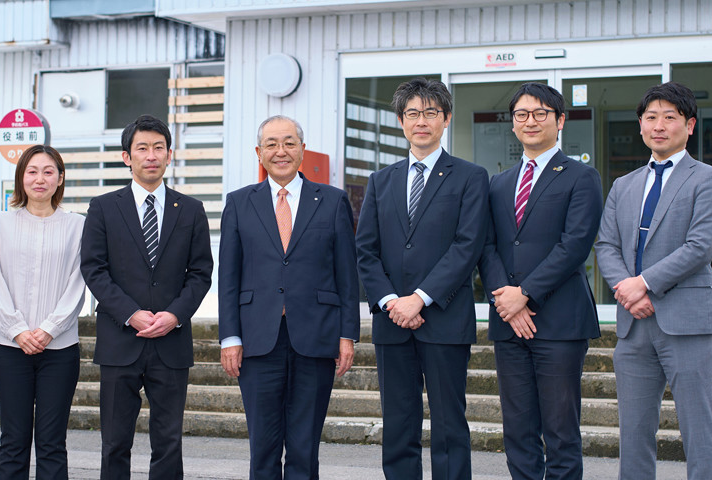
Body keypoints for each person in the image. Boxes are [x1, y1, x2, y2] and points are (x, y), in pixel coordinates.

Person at [594, 82, 712, 480]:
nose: (659, 126)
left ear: (689, 125)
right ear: (640, 126)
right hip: (633, 325)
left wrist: (645, 283)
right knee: (634, 432)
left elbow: (700, 246)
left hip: (686, 321)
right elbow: (606, 244)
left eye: (669, 117)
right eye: (651, 117)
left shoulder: (709, 179)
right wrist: (627, 289)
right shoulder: (624, 184)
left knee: (698, 428)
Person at [354, 78, 487, 480]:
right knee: (398, 423)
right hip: (392, 322)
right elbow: (365, 249)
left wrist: (421, 298)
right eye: (413, 113)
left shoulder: (469, 176)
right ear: (401, 121)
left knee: (449, 424)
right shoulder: (381, 180)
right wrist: (392, 301)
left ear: (446, 119)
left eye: (431, 112)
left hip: (444, 319)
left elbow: (468, 246)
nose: (422, 121)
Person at [218, 115, 360, 480]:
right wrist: (230, 337)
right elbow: (229, 276)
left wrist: (348, 335)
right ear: (259, 152)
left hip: (316, 337)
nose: (281, 151)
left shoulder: (331, 201)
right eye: (271, 144)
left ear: (302, 148)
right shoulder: (238, 203)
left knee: (304, 446)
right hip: (256, 339)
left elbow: (347, 273)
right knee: (262, 448)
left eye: (289, 142)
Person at [477, 82, 603, 480]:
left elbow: (575, 246)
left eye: (540, 113)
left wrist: (525, 294)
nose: (530, 121)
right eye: (521, 115)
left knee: (561, 429)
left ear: (560, 120)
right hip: (508, 322)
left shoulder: (581, 176)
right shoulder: (498, 182)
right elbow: (487, 245)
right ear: (512, 124)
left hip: (559, 321)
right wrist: (506, 301)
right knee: (517, 428)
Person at [80, 114, 213, 480]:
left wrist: (174, 315)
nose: (151, 155)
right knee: (115, 442)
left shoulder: (190, 209)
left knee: (168, 441)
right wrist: (131, 313)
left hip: (171, 342)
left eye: (159, 148)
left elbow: (201, 273)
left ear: (170, 155)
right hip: (121, 340)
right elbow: (94, 269)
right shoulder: (104, 207)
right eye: (142, 148)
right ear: (127, 157)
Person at [0, 145, 87, 480]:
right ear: (21, 178)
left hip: (60, 349)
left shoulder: (78, 226)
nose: (40, 179)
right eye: (32, 171)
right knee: (13, 440)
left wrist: (49, 328)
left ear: (60, 179)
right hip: (11, 348)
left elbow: (78, 282)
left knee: (53, 441)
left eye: (48, 171)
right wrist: (17, 330)